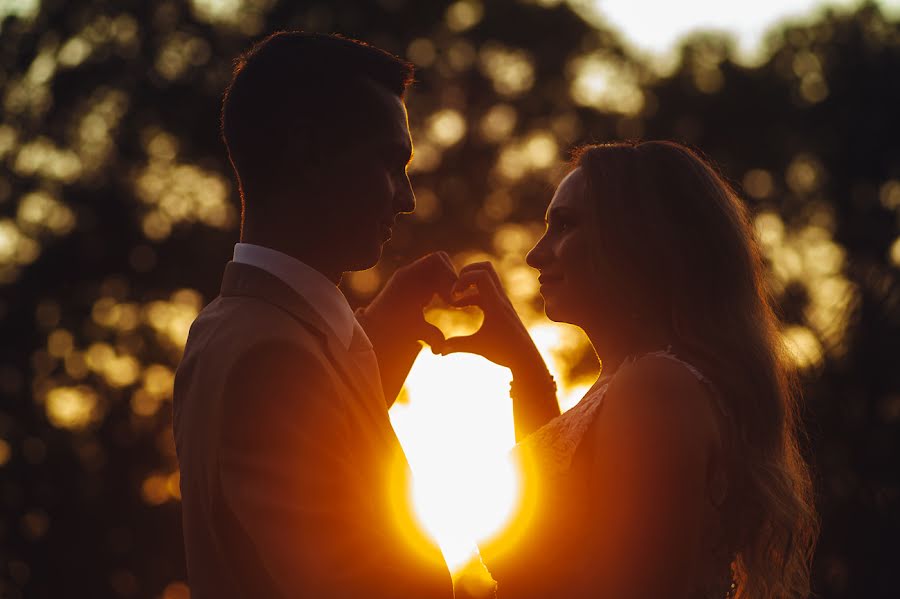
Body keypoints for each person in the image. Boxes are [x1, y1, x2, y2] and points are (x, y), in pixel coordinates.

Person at [441, 141, 820, 598]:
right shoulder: (641, 383)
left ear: (641, 239)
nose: (536, 255)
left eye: (564, 226)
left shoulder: (656, 386)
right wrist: (525, 369)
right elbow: (566, 512)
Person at [173, 31, 460, 598]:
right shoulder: (272, 359)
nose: (406, 198)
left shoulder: (231, 326)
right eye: (390, 162)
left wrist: (380, 338)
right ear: (310, 154)